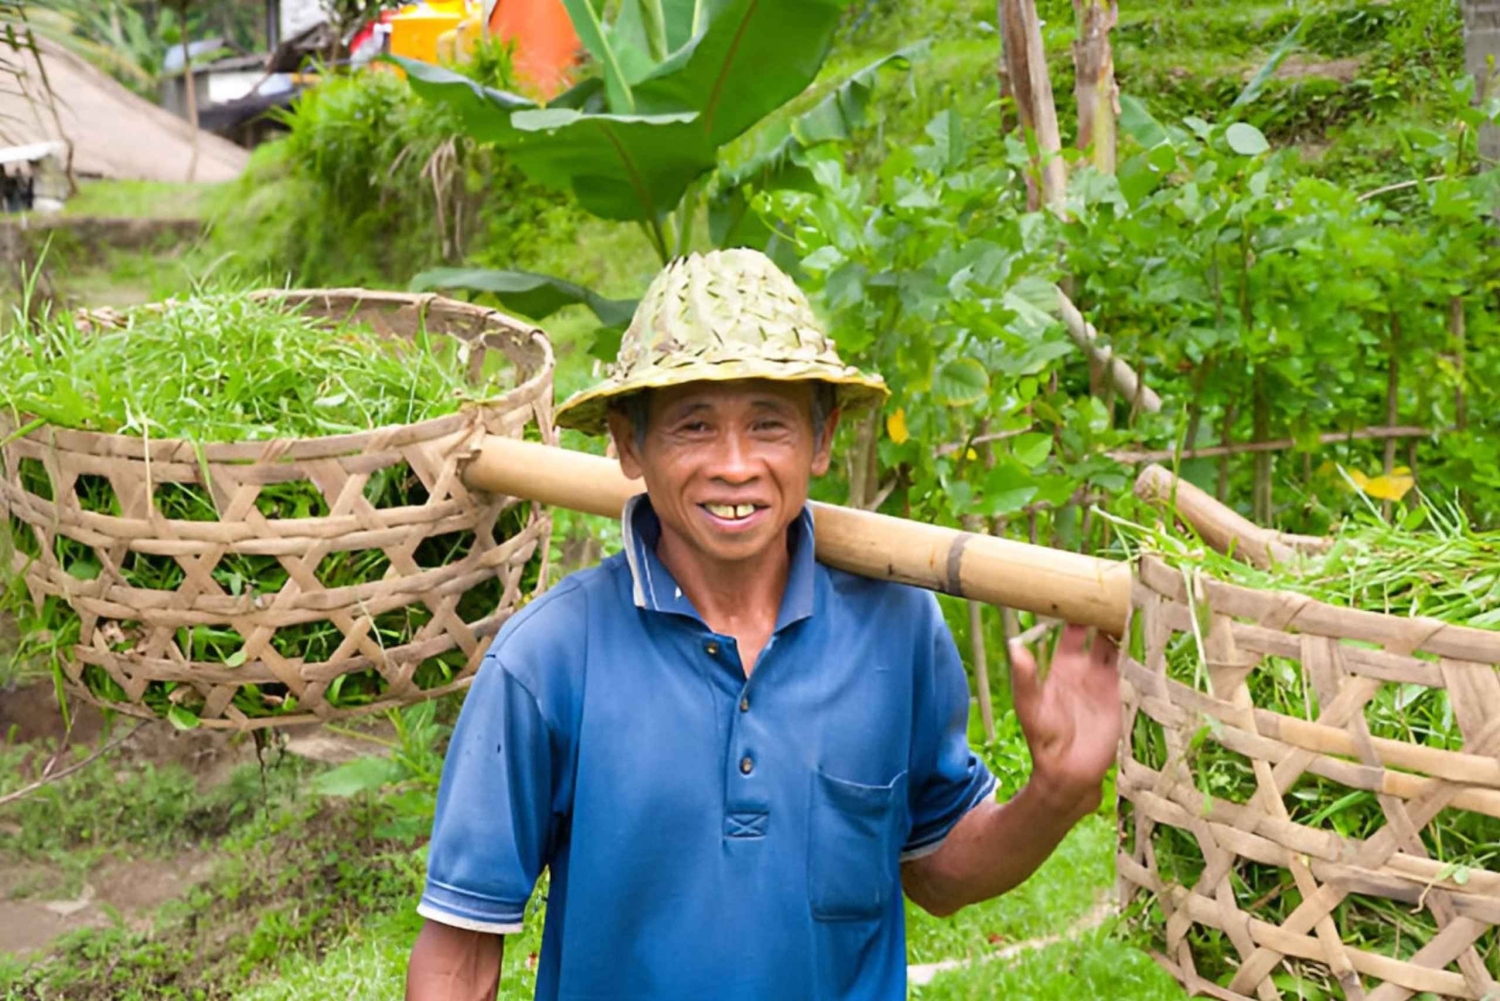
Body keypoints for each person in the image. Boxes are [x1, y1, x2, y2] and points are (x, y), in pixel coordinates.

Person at [406, 249, 1120, 1001]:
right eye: (695, 426)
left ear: (821, 438)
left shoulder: (897, 628)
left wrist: (1055, 795)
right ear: (627, 443)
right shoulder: (548, 660)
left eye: (769, 423)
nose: (737, 464)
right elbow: (461, 955)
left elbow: (937, 870)